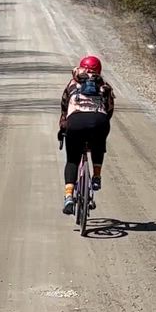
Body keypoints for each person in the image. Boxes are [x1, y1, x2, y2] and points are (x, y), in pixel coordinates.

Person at [57, 55, 115, 214]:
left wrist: (63, 128)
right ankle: (96, 177)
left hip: (75, 122)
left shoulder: (73, 83)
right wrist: (101, 127)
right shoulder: (105, 86)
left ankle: (69, 196)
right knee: (98, 145)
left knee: (72, 159)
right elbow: (109, 110)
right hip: (99, 121)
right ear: (99, 70)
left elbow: (63, 107)